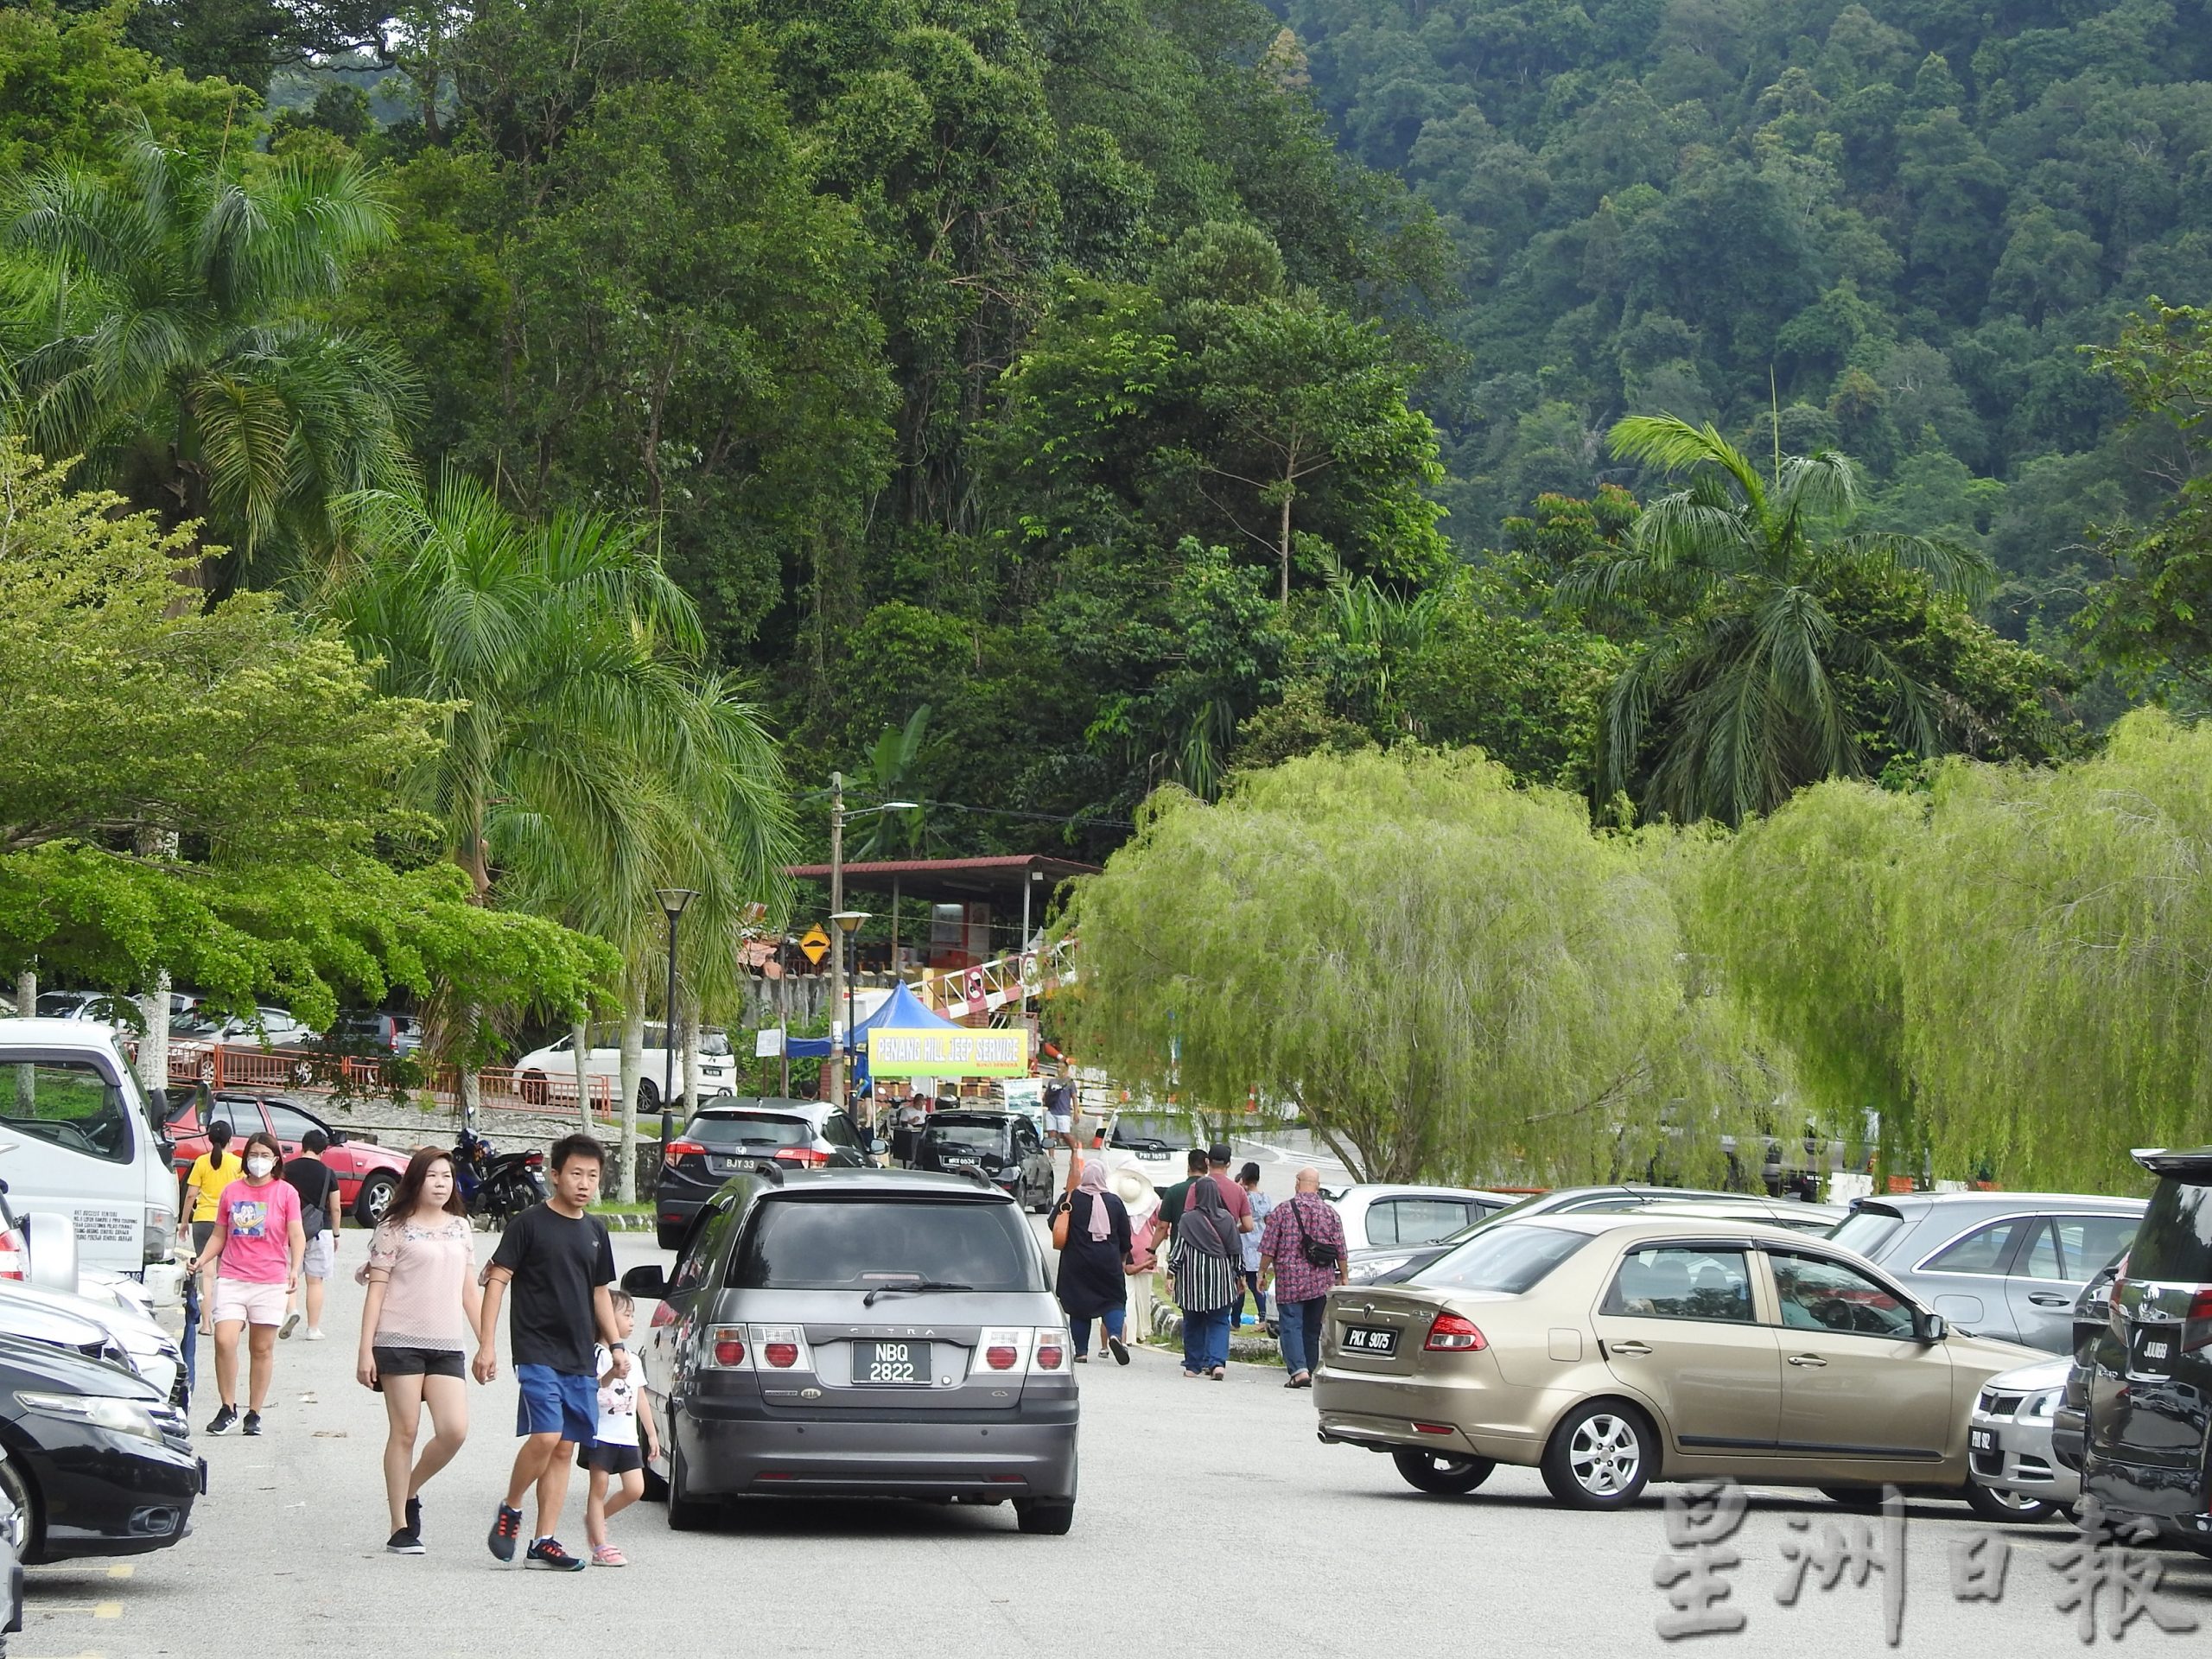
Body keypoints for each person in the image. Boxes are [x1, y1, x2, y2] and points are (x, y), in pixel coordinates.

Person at [475, 1134, 626, 1573]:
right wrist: (487, 1343)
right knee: (545, 1435)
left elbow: (600, 1292)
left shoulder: (596, 1231)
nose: (584, 1183)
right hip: (536, 1349)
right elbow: (498, 1279)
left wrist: (615, 1343)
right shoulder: (529, 1223)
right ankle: (512, 1507)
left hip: (579, 1354)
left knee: (563, 1449)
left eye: (592, 1176)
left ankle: (545, 1541)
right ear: (555, 1175)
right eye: (576, 1174)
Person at [358, 1146, 480, 1554]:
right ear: (416, 1179)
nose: (441, 1184)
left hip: (446, 1344)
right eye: (433, 1176)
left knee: (454, 1430)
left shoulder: (461, 1228)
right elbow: (376, 1291)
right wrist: (365, 1351)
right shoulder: (393, 1226)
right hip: (397, 1340)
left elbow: (468, 1291)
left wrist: (488, 1344)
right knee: (405, 1430)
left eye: (447, 1176)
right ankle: (399, 1526)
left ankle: (409, 1489)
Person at [192, 1130, 305, 1435]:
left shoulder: (285, 1193)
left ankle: (254, 1413)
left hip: (269, 1281)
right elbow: (219, 1234)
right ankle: (227, 1406)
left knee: (262, 1348)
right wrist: (202, 1260)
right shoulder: (232, 1192)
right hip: (232, 1276)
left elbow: (296, 1235)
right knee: (224, 1339)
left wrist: (295, 1268)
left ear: (276, 1160)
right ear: (245, 1158)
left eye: (265, 1156)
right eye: (254, 1155)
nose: (258, 1161)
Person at [580, 1290, 658, 1566]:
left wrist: (651, 1433)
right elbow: (593, 1388)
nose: (632, 1321)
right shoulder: (594, 1355)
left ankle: (595, 1519)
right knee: (598, 1486)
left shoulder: (633, 1358)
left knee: (635, 1488)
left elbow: (639, 1396)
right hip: (600, 1433)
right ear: (604, 1318)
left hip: (627, 1436)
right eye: (626, 1315)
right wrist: (612, 1373)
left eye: (633, 1316)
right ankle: (600, 1545)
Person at [1259, 1166, 1346, 1389]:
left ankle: (1299, 1371)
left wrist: (1261, 1273)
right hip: (1321, 1280)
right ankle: (1309, 1367)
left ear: (1297, 1182)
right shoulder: (1330, 1213)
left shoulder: (1283, 1211)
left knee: (1291, 1324)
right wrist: (1344, 1276)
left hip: (1291, 1279)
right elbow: (1340, 1249)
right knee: (1312, 1327)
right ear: (1317, 1185)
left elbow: (1269, 1247)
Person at [1050, 1158, 1132, 1365]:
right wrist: (1121, 1260)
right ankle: (1114, 1335)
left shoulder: (1070, 1198)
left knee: (1079, 1306)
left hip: (1076, 1262)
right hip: (1108, 1262)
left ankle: (1082, 1352)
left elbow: (1053, 1223)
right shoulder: (1114, 1202)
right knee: (1113, 1300)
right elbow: (1125, 1237)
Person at [1170, 1174, 1241, 1380]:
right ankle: (1217, 1364)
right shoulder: (1227, 1218)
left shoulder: (1187, 1219)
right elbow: (1235, 1250)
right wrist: (1239, 1274)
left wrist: (1171, 1272)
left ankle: (1193, 1366)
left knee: (1193, 1321)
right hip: (1220, 1277)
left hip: (1192, 1280)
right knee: (1219, 1320)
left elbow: (1179, 1250)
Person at [179, 1120, 243, 1334]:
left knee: (207, 1273)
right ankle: (226, 1320)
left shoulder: (202, 1162)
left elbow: (190, 1194)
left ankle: (206, 1324)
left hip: (203, 1219)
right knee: (227, 1273)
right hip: (229, 1220)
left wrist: (185, 1221)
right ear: (230, 1140)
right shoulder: (237, 1164)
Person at [283, 1128, 342, 1340]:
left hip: (290, 1229)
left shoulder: (287, 1169)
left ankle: (291, 1311)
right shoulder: (328, 1173)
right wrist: (336, 1234)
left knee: (288, 1275)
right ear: (323, 1150)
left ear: (303, 1145)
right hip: (320, 1230)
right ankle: (313, 1329)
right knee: (315, 1281)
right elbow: (335, 1208)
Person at [1234, 1161, 1273, 1329]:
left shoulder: (1245, 1197)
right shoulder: (1266, 1198)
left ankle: (1235, 1321)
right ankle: (1264, 1318)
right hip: (1260, 1246)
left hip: (1245, 1244)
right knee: (1258, 1284)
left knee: (1241, 1285)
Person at [1041, 1067, 1077, 1149]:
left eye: (1061, 1067)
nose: (1059, 1069)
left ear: (1066, 1070)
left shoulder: (1070, 1083)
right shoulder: (1052, 1081)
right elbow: (1046, 1094)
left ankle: (1074, 1149)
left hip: (1064, 1112)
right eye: (1058, 1067)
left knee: (1065, 1134)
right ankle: (1051, 1157)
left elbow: (1074, 1098)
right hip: (1052, 1111)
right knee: (1051, 1134)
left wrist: (1076, 1113)